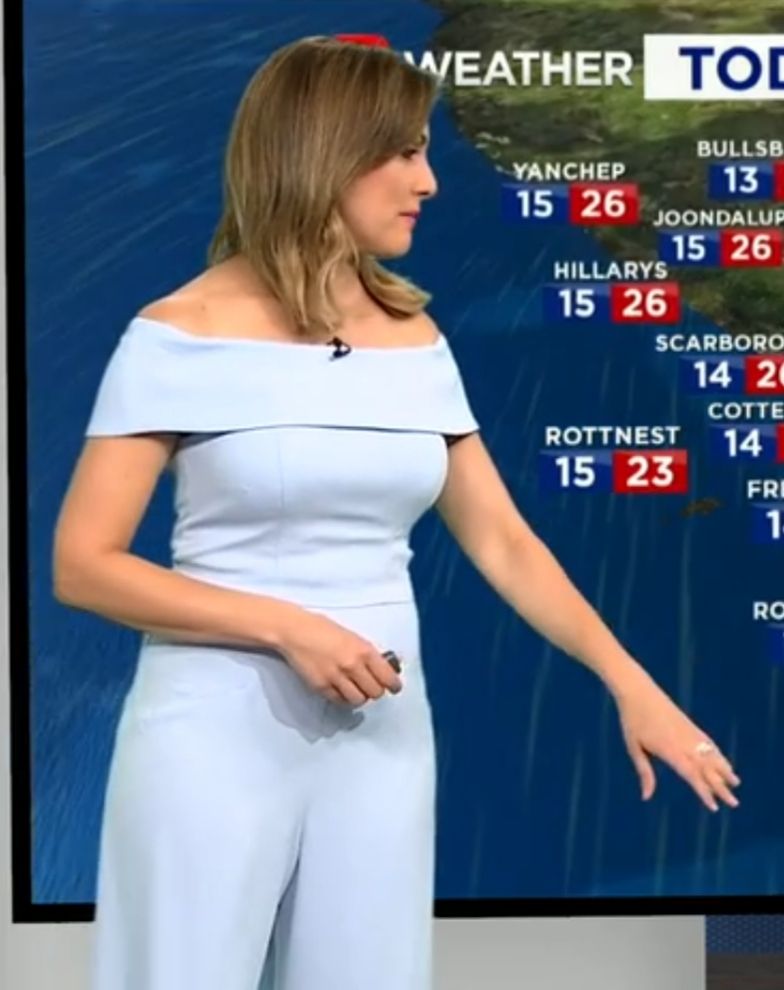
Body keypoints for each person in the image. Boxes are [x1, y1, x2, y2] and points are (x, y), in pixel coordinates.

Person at [52, 35, 741, 990]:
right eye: (405, 153)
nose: (429, 181)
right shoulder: (178, 337)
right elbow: (84, 565)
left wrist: (633, 685)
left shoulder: (416, 339)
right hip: (211, 735)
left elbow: (503, 541)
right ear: (327, 153)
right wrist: (289, 627)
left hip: (382, 736)